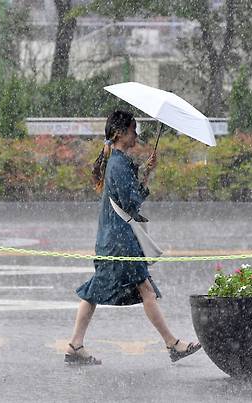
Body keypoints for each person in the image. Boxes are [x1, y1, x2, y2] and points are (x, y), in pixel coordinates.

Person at [64, 110, 201, 365]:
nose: (136, 134)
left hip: (112, 237)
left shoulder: (118, 161)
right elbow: (129, 202)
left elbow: (125, 193)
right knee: (145, 289)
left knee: (96, 291)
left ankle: (75, 345)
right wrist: (143, 184)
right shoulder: (118, 163)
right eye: (132, 129)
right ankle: (173, 344)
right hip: (119, 239)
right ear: (120, 133)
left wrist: (144, 172)